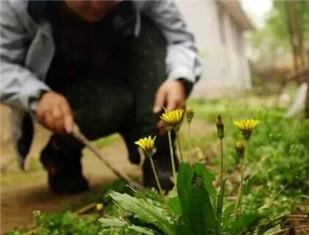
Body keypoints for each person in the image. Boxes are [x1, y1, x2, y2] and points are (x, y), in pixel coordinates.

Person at [0, 0, 202, 194]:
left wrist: (179, 78)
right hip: (68, 87)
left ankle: (159, 153)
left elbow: (179, 39)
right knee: (110, 106)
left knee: (153, 28)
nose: (98, 2)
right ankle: (61, 152)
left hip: (124, 70)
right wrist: (38, 95)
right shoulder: (16, 5)